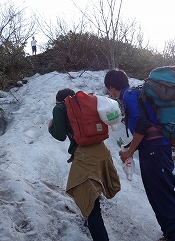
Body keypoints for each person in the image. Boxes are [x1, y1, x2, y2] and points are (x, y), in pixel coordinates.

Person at [104, 69, 175, 241]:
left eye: (108, 89)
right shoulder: (133, 94)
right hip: (152, 149)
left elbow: (142, 124)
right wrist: (130, 148)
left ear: (111, 87)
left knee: (164, 195)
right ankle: (169, 234)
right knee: (156, 194)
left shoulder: (128, 96)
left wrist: (130, 152)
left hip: (156, 150)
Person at [48, 88, 121, 241]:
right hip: (102, 151)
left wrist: (50, 127)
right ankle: (90, 222)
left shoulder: (59, 108)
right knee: (92, 193)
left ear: (59, 100)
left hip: (86, 156)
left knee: (91, 205)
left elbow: (60, 135)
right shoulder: (84, 106)